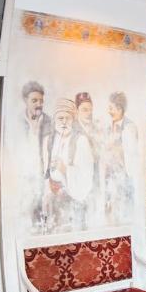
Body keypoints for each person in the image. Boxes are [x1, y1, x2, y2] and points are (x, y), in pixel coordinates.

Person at [45, 98, 95, 231]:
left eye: (68, 118)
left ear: (73, 120)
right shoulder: (50, 140)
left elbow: (87, 174)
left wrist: (64, 169)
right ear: (55, 120)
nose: (64, 122)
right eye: (60, 118)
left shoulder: (81, 141)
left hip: (73, 202)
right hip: (54, 200)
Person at [19, 81, 52, 230]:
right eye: (34, 100)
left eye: (41, 101)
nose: (39, 104)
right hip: (23, 177)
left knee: (42, 212)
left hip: (41, 176)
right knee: (25, 213)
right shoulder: (18, 121)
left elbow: (48, 152)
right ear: (25, 100)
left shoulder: (47, 121)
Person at [103, 91, 138, 225]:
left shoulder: (129, 127)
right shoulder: (108, 128)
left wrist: (115, 149)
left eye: (111, 108)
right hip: (110, 176)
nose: (109, 111)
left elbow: (131, 154)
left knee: (124, 214)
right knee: (109, 211)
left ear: (120, 109)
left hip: (124, 177)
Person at [75, 92, 104, 227]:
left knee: (94, 220)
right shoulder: (72, 130)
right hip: (78, 182)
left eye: (90, 110)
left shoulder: (96, 129)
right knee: (79, 220)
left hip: (96, 180)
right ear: (77, 110)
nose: (88, 113)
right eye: (84, 110)